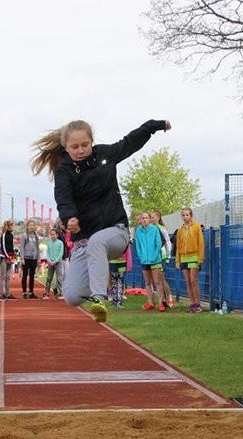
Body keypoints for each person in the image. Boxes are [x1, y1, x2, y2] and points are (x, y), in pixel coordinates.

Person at [31, 119, 171, 322]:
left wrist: (153, 126)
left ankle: (99, 299)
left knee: (98, 241)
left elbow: (130, 142)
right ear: (66, 147)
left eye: (85, 145)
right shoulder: (64, 171)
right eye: (75, 147)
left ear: (92, 141)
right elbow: (64, 199)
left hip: (116, 231)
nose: (81, 150)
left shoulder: (105, 155)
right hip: (84, 240)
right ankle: (95, 277)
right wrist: (70, 218)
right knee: (72, 296)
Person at [135, 211, 166, 312]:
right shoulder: (138, 231)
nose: (144, 220)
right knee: (148, 283)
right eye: (142, 218)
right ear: (140, 220)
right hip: (144, 261)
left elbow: (158, 243)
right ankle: (150, 303)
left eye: (146, 218)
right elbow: (138, 245)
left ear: (149, 218)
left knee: (158, 282)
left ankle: (161, 303)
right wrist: (141, 256)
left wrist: (155, 255)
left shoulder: (154, 229)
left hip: (155, 260)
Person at [176, 207, 204, 313]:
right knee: (187, 282)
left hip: (194, 257)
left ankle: (198, 304)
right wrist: (177, 261)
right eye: (183, 215)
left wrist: (200, 258)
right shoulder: (180, 230)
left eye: (187, 215)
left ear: (191, 215)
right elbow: (178, 246)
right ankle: (192, 303)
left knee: (193, 281)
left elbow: (201, 243)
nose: (185, 217)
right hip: (183, 258)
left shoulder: (196, 227)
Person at [151, 209, 175, 307]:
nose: (151, 219)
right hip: (152, 257)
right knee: (157, 280)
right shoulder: (150, 228)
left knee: (161, 279)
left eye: (153, 217)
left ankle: (169, 298)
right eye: (151, 217)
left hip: (161, 256)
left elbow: (168, 242)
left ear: (158, 217)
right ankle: (163, 300)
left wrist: (168, 256)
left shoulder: (161, 228)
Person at [19, 219, 40, 298]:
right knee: (25, 275)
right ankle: (24, 292)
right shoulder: (24, 235)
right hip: (26, 258)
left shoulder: (36, 236)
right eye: (30, 225)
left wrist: (38, 257)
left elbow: (37, 247)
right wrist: (22, 258)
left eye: (33, 225)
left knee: (32, 276)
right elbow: (21, 247)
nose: (31, 227)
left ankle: (31, 292)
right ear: (27, 226)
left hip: (34, 258)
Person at [107, 244, 130, 308]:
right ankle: (114, 301)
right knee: (114, 282)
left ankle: (119, 302)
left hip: (122, 262)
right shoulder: (111, 240)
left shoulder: (124, 240)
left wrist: (129, 265)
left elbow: (128, 251)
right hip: (112, 262)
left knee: (120, 282)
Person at [43, 227, 64, 299]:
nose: (52, 236)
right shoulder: (49, 243)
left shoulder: (60, 243)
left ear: (57, 235)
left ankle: (61, 293)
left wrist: (55, 261)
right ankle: (46, 293)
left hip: (58, 263)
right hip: (50, 262)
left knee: (59, 278)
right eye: (51, 234)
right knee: (49, 278)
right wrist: (49, 260)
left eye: (54, 234)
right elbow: (47, 253)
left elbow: (61, 254)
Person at [0, 220, 16, 300]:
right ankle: (1, 294)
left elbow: (11, 247)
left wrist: (13, 256)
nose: (13, 227)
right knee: (3, 276)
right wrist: (8, 257)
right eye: (12, 226)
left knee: (8, 276)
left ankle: (8, 294)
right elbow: (4, 247)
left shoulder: (11, 235)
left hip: (10, 257)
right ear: (8, 226)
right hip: (4, 257)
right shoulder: (4, 235)